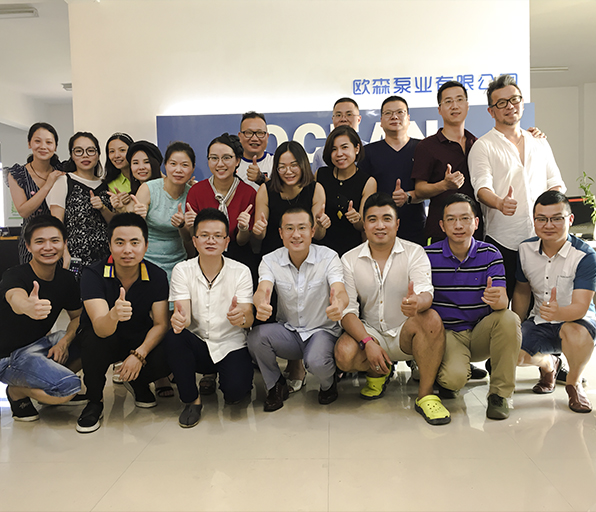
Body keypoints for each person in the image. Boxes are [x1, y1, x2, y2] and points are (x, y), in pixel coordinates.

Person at [335, 192, 450, 425]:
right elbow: (348, 312)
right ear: (364, 225)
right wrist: (367, 342)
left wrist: (417, 302)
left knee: (431, 319)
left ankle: (426, 395)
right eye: (372, 219)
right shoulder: (349, 259)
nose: (380, 225)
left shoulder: (414, 252)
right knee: (343, 353)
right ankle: (380, 371)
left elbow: (426, 293)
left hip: (405, 331)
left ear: (397, 224)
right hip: (372, 333)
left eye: (386, 219)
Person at [469, 74, 566, 299]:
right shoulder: (483, 146)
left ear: (522, 103)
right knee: (503, 305)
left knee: (546, 301)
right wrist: (499, 203)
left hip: (543, 237)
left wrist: (551, 213)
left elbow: (555, 183)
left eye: (514, 99)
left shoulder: (539, 141)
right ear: (491, 111)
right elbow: (481, 188)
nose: (510, 106)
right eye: (501, 103)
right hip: (503, 240)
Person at [425, 193, 521, 419]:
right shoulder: (428, 256)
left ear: (476, 223)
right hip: (448, 333)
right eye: (451, 219)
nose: (458, 225)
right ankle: (448, 374)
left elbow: (502, 301)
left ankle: (499, 395)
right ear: (442, 225)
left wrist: (497, 299)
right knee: (453, 379)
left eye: (465, 218)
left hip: (480, 331)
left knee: (509, 318)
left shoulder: (490, 254)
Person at [76, 213, 171, 433]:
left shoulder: (157, 275)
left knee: (171, 347)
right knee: (93, 341)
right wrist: (113, 315)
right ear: (110, 245)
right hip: (104, 337)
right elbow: (100, 328)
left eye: (134, 242)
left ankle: (138, 381)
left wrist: (139, 354)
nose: (127, 250)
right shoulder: (93, 274)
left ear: (146, 246)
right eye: (120, 243)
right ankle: (94, 401)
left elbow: (161, 324)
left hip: (137, 337)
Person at [248, 206, 349, 411]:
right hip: (290, 331)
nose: (296, 235)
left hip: (322, 331)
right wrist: (260, 303)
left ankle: (328, 384)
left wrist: (339, 304)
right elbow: (262, 289)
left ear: (312, 231)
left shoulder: (329, 257)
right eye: (289, 228)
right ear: (281, 233)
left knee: (316, 362)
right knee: (256, 337)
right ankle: (275, 385)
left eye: (302, 228)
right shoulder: (270, 260)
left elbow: (339, 290)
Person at [164, 209, 254, 428]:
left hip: (230, 343)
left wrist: (240, 317)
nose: (211, 241)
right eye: (204, 235)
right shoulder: (182, 270)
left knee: (236, 393)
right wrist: (180, 321)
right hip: (198, 342)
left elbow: (249, 317)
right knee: (174, 337)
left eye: (217, 236)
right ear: (194, 241)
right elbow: (183, 314)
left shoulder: (241, 271)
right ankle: (191, 400)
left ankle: (227, 378)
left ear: (226, 241)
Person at [512, 191, 596, 413]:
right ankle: (550, 363)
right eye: (541, 219)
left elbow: (581, 307)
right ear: (534, 221)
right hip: (540, 320)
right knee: (513, 352)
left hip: (577, 321)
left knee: (576, 334)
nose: (548, 225)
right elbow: (522, 291)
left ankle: (574, 384)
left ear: (570, 219)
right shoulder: (525, 249)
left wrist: (560, 313)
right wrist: (515, 325)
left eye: (557, 218)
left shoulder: (585, 255)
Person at [0, 215, 83, 422]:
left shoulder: (66, 279)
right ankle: (17, 391)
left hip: (38, 346)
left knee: (90, 339)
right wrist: (27, 306)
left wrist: (64, 343)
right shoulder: (15, 275)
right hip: (7, 357)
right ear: (28, 246)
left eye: (55, 241)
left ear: (64, 243)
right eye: (40, 241)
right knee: (69, 387)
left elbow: (77, 317)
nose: (48, 247)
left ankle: (46, 383)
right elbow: (15, 297)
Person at [412, 81, 483, 243]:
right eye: (448, 101)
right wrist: (444, 185)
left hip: (473, 231)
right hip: (439, 232)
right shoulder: (427, 146)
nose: (454, 106)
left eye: (459, 100)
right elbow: (420, 190)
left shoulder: (478, 144)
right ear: (439, 109)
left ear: (467, 106)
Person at [358, 96, 426, 246]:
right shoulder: (367, 152)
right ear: (381, 121)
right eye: (388, 113)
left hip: (416, 228)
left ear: (408, 118)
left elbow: (430, 189)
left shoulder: (423, 148)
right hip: (379, 230)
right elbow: (362, 195)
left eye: (400, 112)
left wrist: (409, 196)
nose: (394, 116)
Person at [184, 133, 256, 263]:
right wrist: (190, 225)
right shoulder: (196, 191)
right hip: (205, 258)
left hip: (239, 259)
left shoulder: (248, 193)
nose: (220, 164)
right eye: (214, 158)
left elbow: (242, 241)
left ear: (237, 161)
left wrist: (243, 228)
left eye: (226, 158)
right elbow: (192, 236)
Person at [47, 131, 114, 269]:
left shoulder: (106, 184)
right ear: (72, 155)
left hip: (106, 257)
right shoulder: (64, 181)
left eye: (91, 150)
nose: (85, 155)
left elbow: (114, 224)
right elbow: (56, 223)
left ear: (98, 154)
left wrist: (103, 208)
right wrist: (64, 253)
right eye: (78, 151)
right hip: (75, 258)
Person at [252, 140, 329, 257]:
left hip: (308, 257)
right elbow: (259, 236)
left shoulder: (316, 189)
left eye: (294, 165)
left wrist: (321, 226)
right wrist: (259, 230)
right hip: (274, 257)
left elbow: (318, 236)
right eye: (282, 167)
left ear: (303, 164)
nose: (288, 172)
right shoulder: (265, 190)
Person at [132, 141, 195, 281]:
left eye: (184, 165)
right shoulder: (148, 189)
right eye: (173, 164)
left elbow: (189, 238)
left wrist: (182, 226)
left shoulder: (193, 194)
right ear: (165, 165)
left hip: (178, 263)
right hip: (146, 261)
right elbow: (133, 231)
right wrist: (138, 217)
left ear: (193, 168)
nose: (178, 170)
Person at [6, 122, 65, 264]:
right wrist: (48, 184)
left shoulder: (62, 170)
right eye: (37, 141)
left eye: (49, 142)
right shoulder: (17, 173)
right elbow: (24, 211)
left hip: (58, 239)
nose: (43, 146)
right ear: (29, 144)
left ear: (55, 147)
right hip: (32, 241)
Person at [316, 125, 376, 256]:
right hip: (321, 252)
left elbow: (363, 225)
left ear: (357, 148)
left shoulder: (368, 182)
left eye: (344, 147)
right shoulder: (320, 175)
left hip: (352, 252)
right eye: (334, 149)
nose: (339, 154)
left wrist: (357, 219)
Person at [108, 140, 163, 213]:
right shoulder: (132, 198)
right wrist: (122, 209)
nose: (141, 167)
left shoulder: (168, 189)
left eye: (147, 162)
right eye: (135, 163)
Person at [311, 97, 364, 173]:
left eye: (349, 114)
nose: (343, 119)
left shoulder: (369, 151)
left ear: (359, 119)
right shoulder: (320, 154)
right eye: (338, 115)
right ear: (333, 119)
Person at [236, 111, 273, 191]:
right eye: (248, 133)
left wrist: (262, 178)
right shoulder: (231, 164)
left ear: (267, 136)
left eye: (260, 133)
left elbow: (285, 192)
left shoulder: (276, 162)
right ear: (240, 136)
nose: (254, 138)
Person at [104, 132, 134, 209]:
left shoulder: (145, 172)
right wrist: (121, 206)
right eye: (112, 151)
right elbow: (118, 213)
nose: (116, 155)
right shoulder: (112, 183)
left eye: (122, 150)